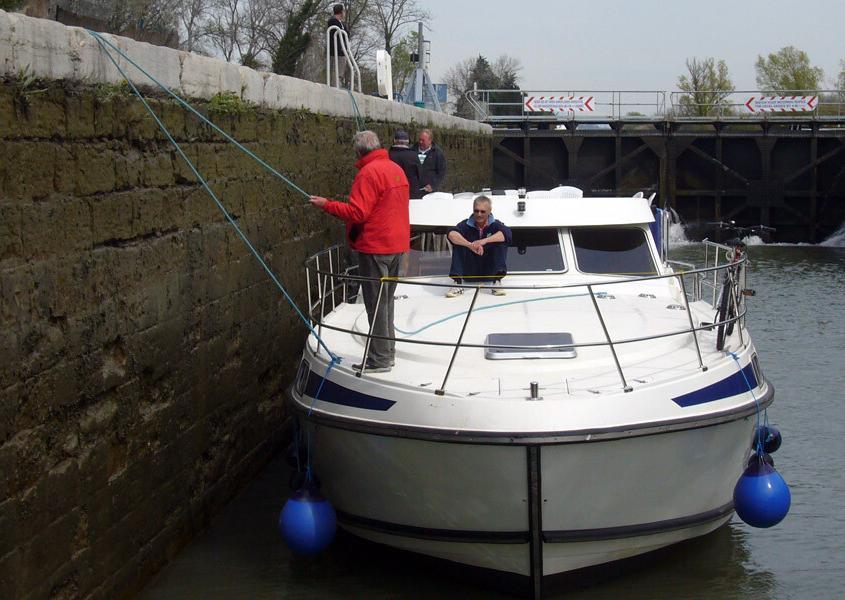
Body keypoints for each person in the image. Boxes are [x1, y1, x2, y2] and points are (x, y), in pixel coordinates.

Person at [309, 131, 410, 373]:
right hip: (398, 247)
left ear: (358, 151)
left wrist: (327, 205)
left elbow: (358, 213)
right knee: (386, 303)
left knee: (376, 305)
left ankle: (379, 359)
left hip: (375, 248)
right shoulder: (396, 169)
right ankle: (388, 353)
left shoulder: (368, 174)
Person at [445, 196, 512, 298]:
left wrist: (483, 241)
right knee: (459, 242)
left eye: (482, 211)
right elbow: (451, 233)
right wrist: (470, 245)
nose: (479, 214)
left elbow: (507, 234)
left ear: (489, 211)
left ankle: (497, 282)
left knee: (499, 241)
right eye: (476, 211)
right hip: (468, 273)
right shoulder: (464, 225)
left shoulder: (496, 225)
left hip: (491, 273)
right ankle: (457, 283)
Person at [388, 130, 422, 197]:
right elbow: (420, 175)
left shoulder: (388, 155)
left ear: (394, 141)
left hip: (393, 193)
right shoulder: (413, 155)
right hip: (411, 193)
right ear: (408, 142)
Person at [413, 128, 447, 195]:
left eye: (423, 140)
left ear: (430, 141)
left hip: (429, 192)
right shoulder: (412, 151)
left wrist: (433, 185)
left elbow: (441, 172)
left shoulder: (437, 153)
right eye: (419, 140)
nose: (420, 142)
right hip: (414, 190)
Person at [326, 4, 348, 86]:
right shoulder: (333, 21)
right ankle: (335, 87)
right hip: (336, 52)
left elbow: (346, 33)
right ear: (341, 12)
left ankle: (339, 84)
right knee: (335, 72)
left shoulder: (341, 23)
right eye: (344, 11)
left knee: (340, 73)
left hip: (342, 52)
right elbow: (340, 34)